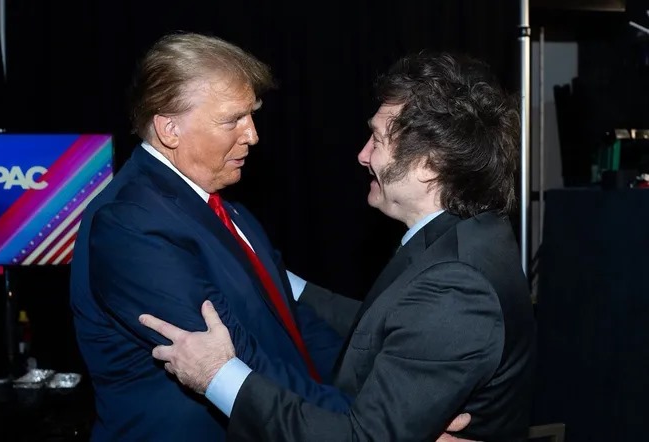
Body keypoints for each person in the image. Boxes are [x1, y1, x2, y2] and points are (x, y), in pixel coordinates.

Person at [70, 32, 473, 441]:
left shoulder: (226, 209)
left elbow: (294, 325)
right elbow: (239, 360)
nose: (252, 135)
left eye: (251, 115)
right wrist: (383, 429)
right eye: (233, 120)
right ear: (170, 129)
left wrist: (383, 410)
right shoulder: (130, 222)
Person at [140, 51, 537, 441]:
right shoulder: (466, 235)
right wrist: (268, 276)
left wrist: (216, 375)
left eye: (377, 140)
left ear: (429, 165)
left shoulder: (456, 284)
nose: (363, 155)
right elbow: (380, 325)